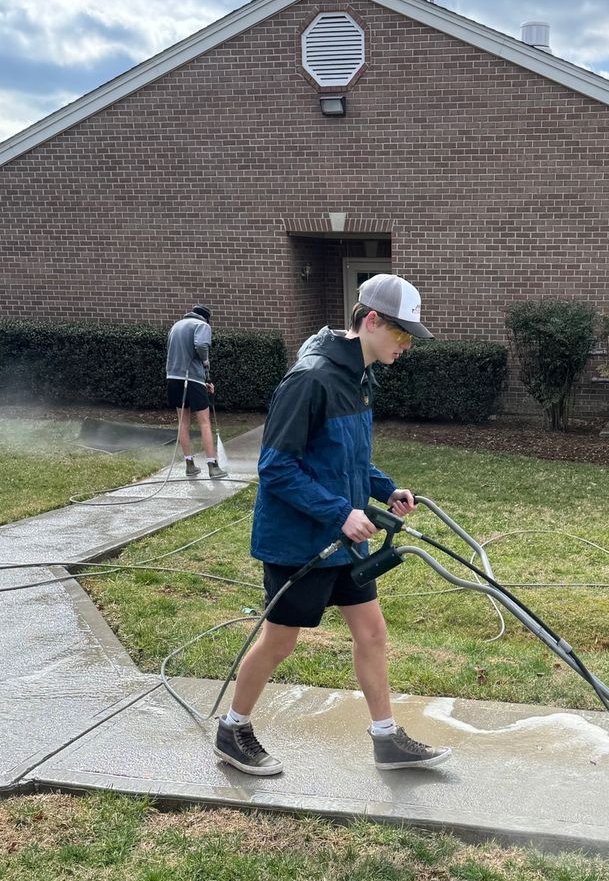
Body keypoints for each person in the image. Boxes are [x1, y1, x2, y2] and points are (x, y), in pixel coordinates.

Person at [214, 273, 451, 777]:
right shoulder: (311, 380)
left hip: (346, 540)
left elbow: (347, 460)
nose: (406, 346)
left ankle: (386, 739)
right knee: (280, 641)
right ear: (370, 321)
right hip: (301, 542)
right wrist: (340, 512)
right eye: (402, 334)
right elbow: (276, 467)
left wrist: (385, 489)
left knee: (372, 633)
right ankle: (233, 730)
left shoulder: (359, 377)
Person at [165, 303, 228, 479]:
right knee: (204, 422)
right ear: (207, 317)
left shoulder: (176, 326)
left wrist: (205, 380)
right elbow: (200, 345)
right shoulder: (202, 325)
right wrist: (205, 360)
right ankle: (213, 466)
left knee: (183, 422)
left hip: (173, 378)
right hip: (190, 378)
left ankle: (189, 465)